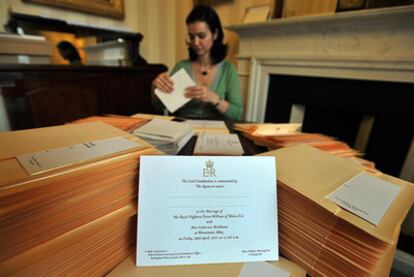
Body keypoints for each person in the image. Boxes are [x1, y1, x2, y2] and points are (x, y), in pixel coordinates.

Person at [151, 4, 243, 120]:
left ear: (215, 34)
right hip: (184, 127)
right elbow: (161, 107)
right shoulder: (181, 67)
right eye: (191, 36)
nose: (196, 42)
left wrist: (213, 98)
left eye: (201, 36)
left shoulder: (228, 70)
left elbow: (237, 114)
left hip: (216, 131)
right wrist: (156, 89)